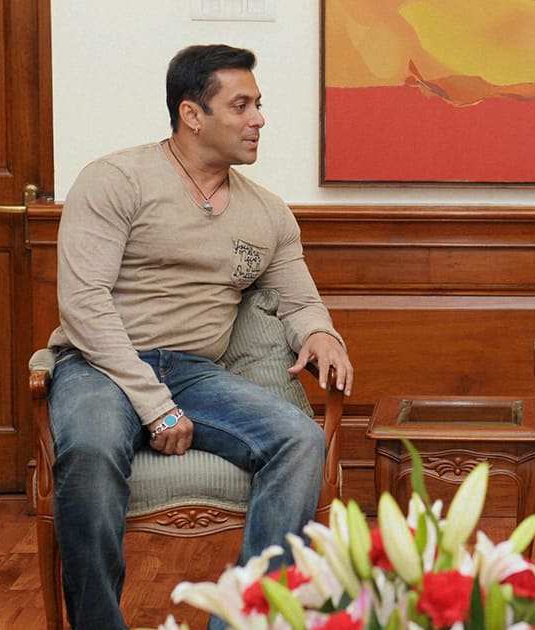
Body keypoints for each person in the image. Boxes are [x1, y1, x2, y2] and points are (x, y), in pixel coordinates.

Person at [46, 44, 353, 630]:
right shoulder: (115, 180)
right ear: (192, 114)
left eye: (258, 104)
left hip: (194, 372)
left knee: (299, 441)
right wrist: (155, 407)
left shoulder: (267, 214)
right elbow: (83, 306)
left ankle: (243, 620)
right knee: (87, 449)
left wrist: (321, 333)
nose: (259, 118)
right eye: (241, 105)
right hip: (99, 365)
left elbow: (299, 297)